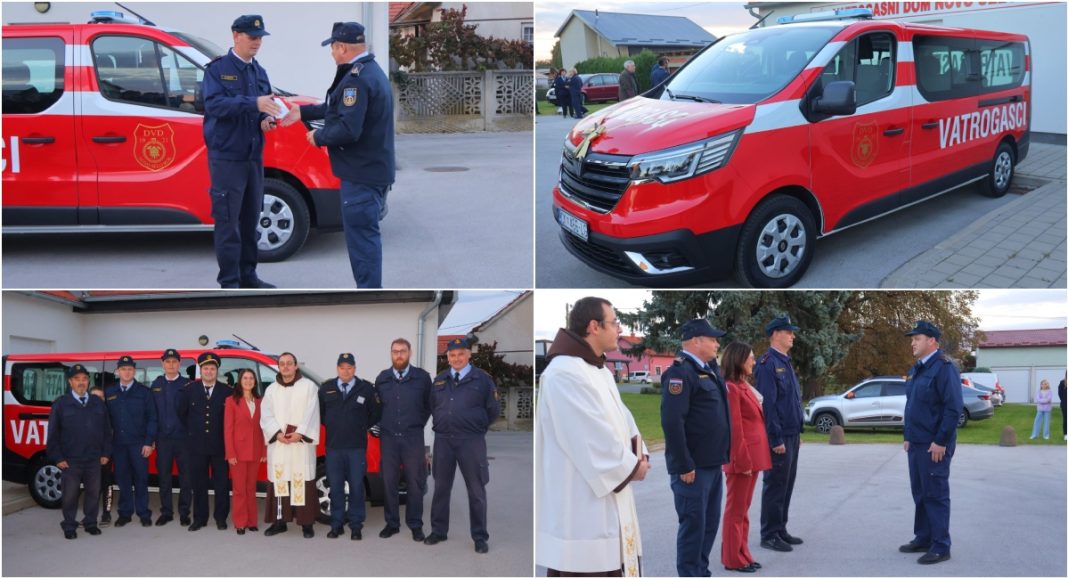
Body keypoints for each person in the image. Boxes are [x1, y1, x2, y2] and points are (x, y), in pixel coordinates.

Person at [536, 296, 650, 577]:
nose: (619, 329)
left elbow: (625, 419)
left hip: (605, 502)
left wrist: (641, 452)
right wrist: (632, 467)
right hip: (583, 510)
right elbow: (589, 439)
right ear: (593, 326)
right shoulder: (564, 373)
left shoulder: (597, 369)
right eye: (614, 323)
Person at [281, 21, 394, 289]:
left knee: (362, 244)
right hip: (370, 171)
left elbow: (348, 128)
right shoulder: (368, 72)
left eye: (332, 48)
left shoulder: (357, 80)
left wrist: (317, 137)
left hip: (361, 176)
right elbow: (338, 107)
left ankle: (368, 293)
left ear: (342, 47)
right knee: (363, 241)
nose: (331, 54)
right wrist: (302, 112)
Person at [202, 14, 280, 289]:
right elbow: (215, 106)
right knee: (228, 223)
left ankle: (249, 276)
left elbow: (263, 108)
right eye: (251, 36)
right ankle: (229, 281)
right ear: (236, 35)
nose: (257, 42)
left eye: (259, 37)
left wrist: (265, 120)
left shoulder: (259, 72)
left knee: (249, 222)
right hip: (227, 159)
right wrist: (253, 104)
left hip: (252, 157)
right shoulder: (217, 70)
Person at [660, 319, 731, 577]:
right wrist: (683, 464)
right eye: (712, 339)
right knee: (694, 526)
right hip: (693, 468)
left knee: (709, 525)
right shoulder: (681, 372)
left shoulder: (708, 369)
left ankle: (701, 571)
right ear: (696, 341)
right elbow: (672, 421)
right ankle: (690, 573)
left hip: (712, 464)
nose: (716, 343)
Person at [425, 338, 500, 554]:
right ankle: (439, 531)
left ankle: (479, 536)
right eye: (452, 355)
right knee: (441, 488)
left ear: (469, 355)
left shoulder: (482, 380)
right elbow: (433, 406)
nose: (456, 358)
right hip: (443, 441)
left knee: (476, 490)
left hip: (471, 442)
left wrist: (476, 428)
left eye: (460, 354)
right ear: (447, 357)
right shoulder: (440, 380)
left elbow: (492, 410)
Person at [899, 320, 962, 565]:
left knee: (935, 494)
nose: (912, 342)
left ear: (932, 341)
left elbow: (953, 408)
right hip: (916, 443)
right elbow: (912, 404)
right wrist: (907, 436)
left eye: (917, 338)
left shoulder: (944, 368)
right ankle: (924, 537)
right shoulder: (917, 369)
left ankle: (941, 545)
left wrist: (940, 441)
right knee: (920, 493)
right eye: (912, 338)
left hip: (934, 445)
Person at [720, 342, 771, 574]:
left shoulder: (742, 385)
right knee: (735, 511)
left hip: (752, 458)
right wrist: (742, 461)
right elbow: (735, 428)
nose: (753, 361)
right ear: (739, 360)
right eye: (750, 357)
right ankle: (733, 558)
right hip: (743, 460)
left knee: (743, 510)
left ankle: (744, 554)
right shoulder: (731, 388)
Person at [754, 315, 804, 553]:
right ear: (775, 334)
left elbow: (792, 401)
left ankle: (781, 528)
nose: (793, 336)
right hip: (779, 437)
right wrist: (775, 439)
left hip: (791, 434)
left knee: (787, 485)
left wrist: (798, 432)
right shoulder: (767, 364)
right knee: (775, 485)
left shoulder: (786, 361)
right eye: (788, 332)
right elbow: (769, 405)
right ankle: (769, 534)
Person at [374, 338, 432, 541]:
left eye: (403, 351)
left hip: (412, 439)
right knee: (388, 482)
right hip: (388, 439)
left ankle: (415, 524)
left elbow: (428, 406)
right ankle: (392, 524)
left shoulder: (422, 378)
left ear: (410, 353)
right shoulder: (382, 378)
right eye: (395, 351)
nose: (399, 355)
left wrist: (416, 424)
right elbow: (378, 407)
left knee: (415, 482)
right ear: (391, 353)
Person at [319, 353, 381, 540]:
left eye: (349, 367)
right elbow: (321, 415)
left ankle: (356, 526)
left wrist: (359, 426)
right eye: (342, 367)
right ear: (337, 369)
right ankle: (336, 525)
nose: (346, 371)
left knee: (356, 487)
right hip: (334, 447)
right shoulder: (326, 388)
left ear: (355, 368)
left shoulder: (366, 389)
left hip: (356, 448)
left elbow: (375, 414)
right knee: (336, 487)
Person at [47, 364, 112, 540]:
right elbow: (52, 434)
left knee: (93, 493)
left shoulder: (97, 402)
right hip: (71, 459)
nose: (81, 382)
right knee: (70, 495)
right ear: (70, 382)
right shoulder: (61, 404)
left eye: (84, 379)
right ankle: (69, 525)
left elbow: (107, 430)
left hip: (94, 458)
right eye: (77, 379)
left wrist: (106, 453)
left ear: (88, 381)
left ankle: (90, 522)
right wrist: (58, 457)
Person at [261, 352, 321, 538]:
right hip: (279, 446)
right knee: (280, 482)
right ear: (278, 367)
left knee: (302, 481)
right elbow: (266, 415)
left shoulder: (309, 387)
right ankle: (279, 522)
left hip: (300, 445)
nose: (285, 366)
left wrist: (300, 432)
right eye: (282, 363)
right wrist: (276, 433)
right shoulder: (271, 389)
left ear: (296, 366)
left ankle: (306, 524)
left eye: (289, 363)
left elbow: (312, 412)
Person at [178, 352, 232, 531]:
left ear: (217, 371)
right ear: (200, 370)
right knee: (198, 483)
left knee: (221, 484)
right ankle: (200, 518)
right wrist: (193, 433)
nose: (209, 371)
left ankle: (221, 517)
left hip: (220, 446)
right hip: (197, 446)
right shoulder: (188, 390)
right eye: (205, 368)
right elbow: (182, 414)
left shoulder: (227, 391)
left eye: (212, 368)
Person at [105, 355, 157, 528]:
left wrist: (149, 442)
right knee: (122, 479)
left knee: (141, 479)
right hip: (118, 445)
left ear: (134, 371)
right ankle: (125, 513)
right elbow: (105, 421)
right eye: (123, 369)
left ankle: (143, 513)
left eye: (130, 369)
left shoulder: (144, 392)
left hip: (138, 444)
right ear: (118, 371)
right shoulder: (110, 392)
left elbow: (152, 419)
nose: (126, 372)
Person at [150, 348, 192, 526]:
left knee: (185, 477)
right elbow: (151, 414)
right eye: (168, 361)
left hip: (183, 439)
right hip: (163, 439)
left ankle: (184, 512)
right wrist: (151, 438)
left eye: (174, 361)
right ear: (162, 364)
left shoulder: (188, 385)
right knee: (164, 477)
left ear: (179, 364)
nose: (171, 364)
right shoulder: (156, 385)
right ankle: (166, 512)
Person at [225, 368, 266, 535]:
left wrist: (264, 450)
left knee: (251, 488)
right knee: (239, 489)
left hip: (256, 450)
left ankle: (252, 521)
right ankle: (240, 522)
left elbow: (263, 428)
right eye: (245, 378)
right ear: (240, 381)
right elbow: (228, 430)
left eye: (251, 378)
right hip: (238, 452)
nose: (248, 381)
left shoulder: (259, 401)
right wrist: (231, 453)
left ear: (255, 382)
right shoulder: (231, 401)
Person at [1059, 373, 1066, 440]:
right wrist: (1064, 400)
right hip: (1065, 404)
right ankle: (1066, 434)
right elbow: (1060, 393)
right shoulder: (1062, 382)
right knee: (1066, 419)